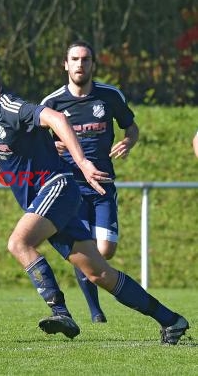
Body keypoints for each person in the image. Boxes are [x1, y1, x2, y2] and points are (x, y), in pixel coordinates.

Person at [0, 53, 189, 345]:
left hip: (57, 187)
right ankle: (171, 320)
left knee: (18, 243)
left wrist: (82, 162)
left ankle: (60, 311)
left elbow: (56, 118)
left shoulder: (12, 107)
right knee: (99, 273)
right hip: (47, 198)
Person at [40, 40, 140, 323]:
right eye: (75, 59)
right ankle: (96, 312)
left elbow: (131, 127)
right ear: (65, 64)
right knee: (83, 248)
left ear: (92, 64)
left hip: (103, 183)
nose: (80, 64)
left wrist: (128, 142)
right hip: (71, 187)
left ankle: (95, 296)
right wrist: (53, 148)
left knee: (105, 249)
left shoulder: (109, 96)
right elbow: (37, 142)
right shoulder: (52, 103)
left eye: (85, 59)